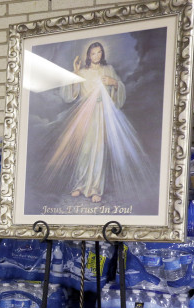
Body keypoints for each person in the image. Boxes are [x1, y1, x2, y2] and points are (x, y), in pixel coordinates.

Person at [39, 41, 151, 204]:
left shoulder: (108, 70)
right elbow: (70, 95)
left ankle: (96, 188)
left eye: (99, 53)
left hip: (101, 113)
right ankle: (80, 184)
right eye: (93, 53)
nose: (96, 56)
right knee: (84, 151)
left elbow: (119, 90)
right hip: (85, 113)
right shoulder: (83, 72)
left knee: (98, 151)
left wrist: (113, 83)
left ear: (102, 54)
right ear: (88, 55)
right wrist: (75, 73)